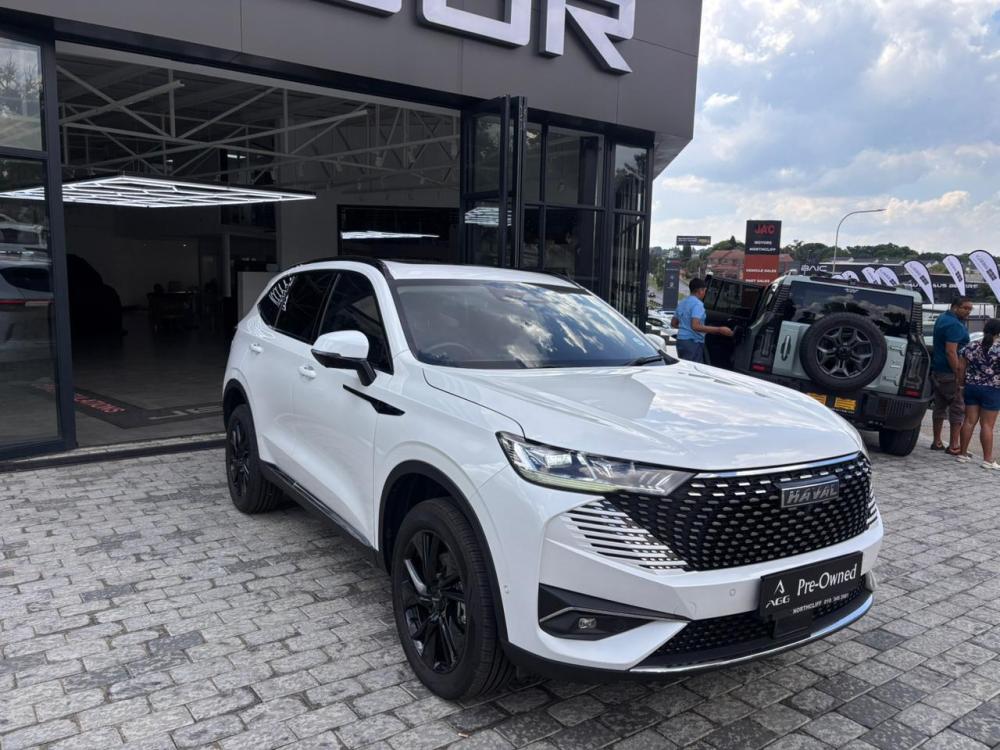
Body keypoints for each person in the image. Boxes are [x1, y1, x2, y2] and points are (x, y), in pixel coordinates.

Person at [930, 296, 973, 454]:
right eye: (965, 308)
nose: (968, 312)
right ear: (955, 307)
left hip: (938, 370)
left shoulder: (942, 318)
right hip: (950, 373)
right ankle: (954, 445)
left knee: (939, 407)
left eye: (970, 309)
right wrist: (958, 372)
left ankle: (937, 441)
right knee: (957, 408)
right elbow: (951, 351)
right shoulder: (955, 325)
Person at [957, 319, 1000, 469]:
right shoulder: (998, 349)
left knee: (969, 421)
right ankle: (987, 460)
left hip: (972, 387)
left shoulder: (972, 345)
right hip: (992, 389)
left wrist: (961, 385)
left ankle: (962, 454)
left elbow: (961, 368)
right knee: (987, 425)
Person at [671, 278, 734, 363]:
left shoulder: (683, 302)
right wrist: (719, 329)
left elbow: (673, 323)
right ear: (700, 291)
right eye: (705, 290)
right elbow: (695, 326)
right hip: (693, 342)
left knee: (684, 366)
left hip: (681, 341)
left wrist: (685, 328)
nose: (705, 293)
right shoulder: (698, 304)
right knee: (694, 368)